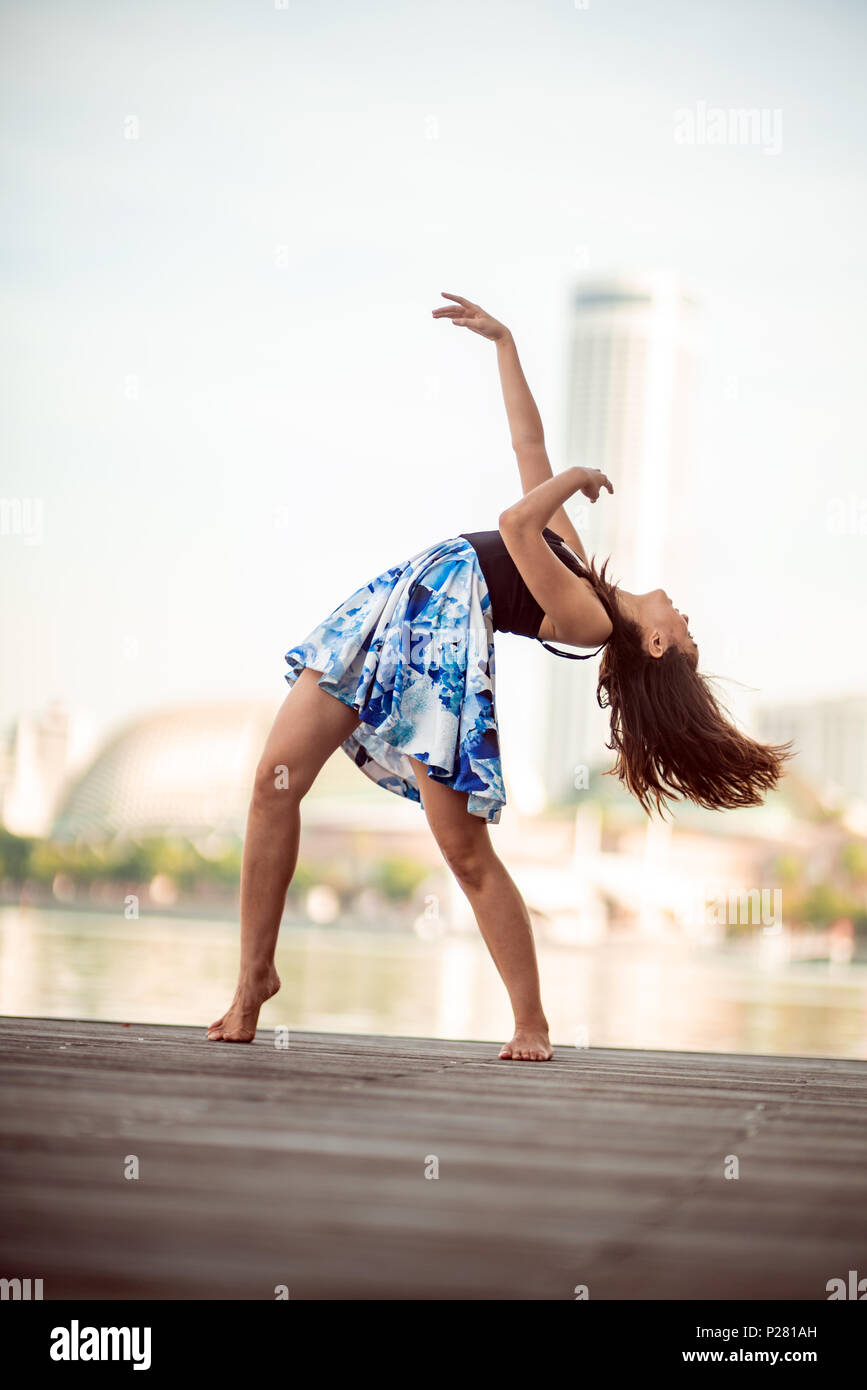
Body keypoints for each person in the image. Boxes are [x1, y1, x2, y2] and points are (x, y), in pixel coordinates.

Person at [207, 292, 790, 1060]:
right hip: (395, 611)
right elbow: (527, 450)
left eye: (684, 638)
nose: (687, 622)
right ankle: (254, 981)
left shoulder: (585, 618)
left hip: (438, 651)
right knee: (273, 780)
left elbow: (517, 521)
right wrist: (504, 343)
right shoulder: (585, 575)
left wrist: (575, 477)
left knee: (466, 853)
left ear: (652, 645)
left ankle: (531, 1023)